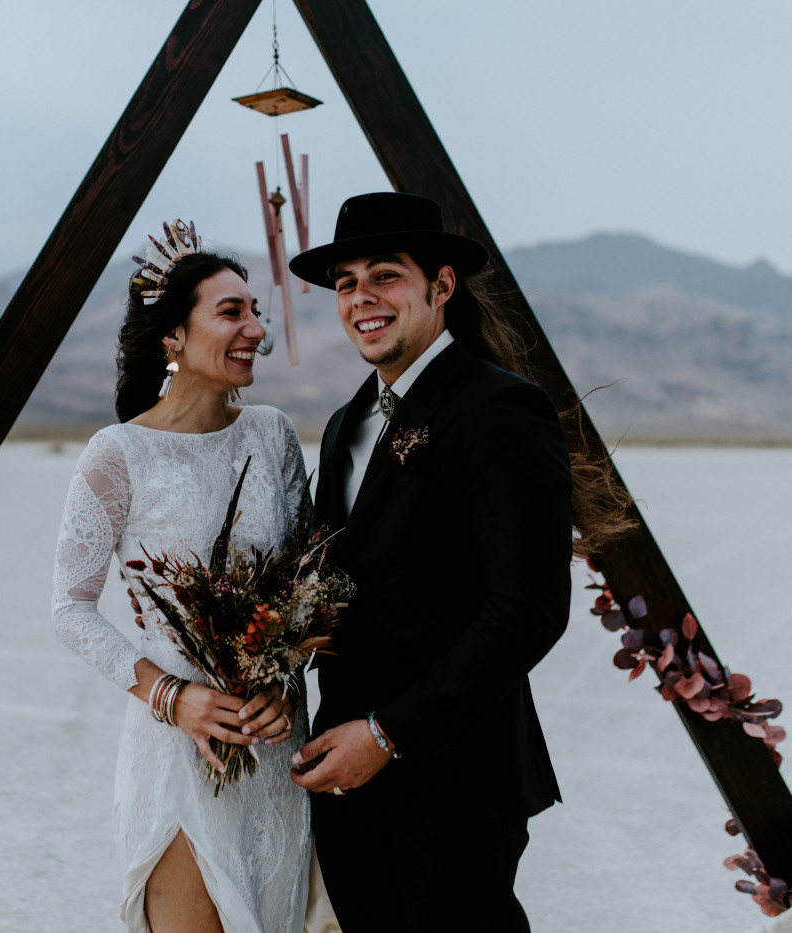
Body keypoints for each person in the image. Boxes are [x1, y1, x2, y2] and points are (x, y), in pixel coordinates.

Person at [286, 192, 632, 931]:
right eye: (346, 283)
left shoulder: (498, 408)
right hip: (345, 776)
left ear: (442, 286)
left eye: (385, 276)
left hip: (454, 779)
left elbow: (527, 609)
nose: (362, 299)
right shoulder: (348, 422)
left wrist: (385, 734)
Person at [51, 220, 314, 933]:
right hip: (173, 751)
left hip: (272, 748)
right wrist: (173, 697)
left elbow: (305, 588)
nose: (255, 327)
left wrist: (281, 680)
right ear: (173, 335)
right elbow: (70, 608)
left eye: (256, 309)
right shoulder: (119, 454)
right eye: (232, 311)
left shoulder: (273, 434)